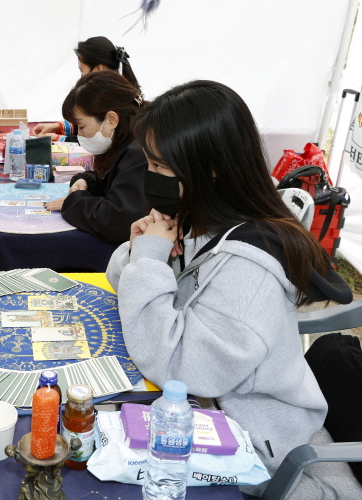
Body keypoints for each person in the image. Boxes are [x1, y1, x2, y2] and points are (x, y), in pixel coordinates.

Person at [107, 80, 362, 499]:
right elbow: (127, 285)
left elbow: (181, 365)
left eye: (158, 166)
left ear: (208, 167)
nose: (149, 177)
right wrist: (141, 251)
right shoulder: (203, 220)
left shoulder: (249, 269)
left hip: (260, 448)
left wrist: (149, 260)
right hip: (219, 411)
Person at [44, 70, 148, 243]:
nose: (79, 135)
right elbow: (117, 181)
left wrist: (75, 203)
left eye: (81, 127)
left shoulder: (138, 153)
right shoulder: (127, 142)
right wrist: (87, 181)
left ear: (111, 120)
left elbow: (117, 221)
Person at [34, 36, 140, 141]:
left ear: (98, 68)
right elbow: (87, 124)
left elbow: (95, 138)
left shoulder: (110, 98)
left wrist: (60, 138)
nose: (81, 77)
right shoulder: (111, 90)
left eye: (82, 71)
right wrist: (57, 127)